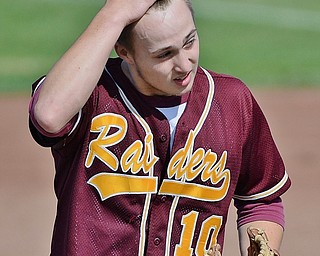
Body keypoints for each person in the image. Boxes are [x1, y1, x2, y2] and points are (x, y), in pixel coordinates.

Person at [28, 0, 291, 255]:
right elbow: (48, 116)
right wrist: (114, 12)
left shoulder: (232, 101)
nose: (184, 65)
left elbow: (260, 198)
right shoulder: (92, 95)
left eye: (190, 41)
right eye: (164, 54)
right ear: (124, 52)